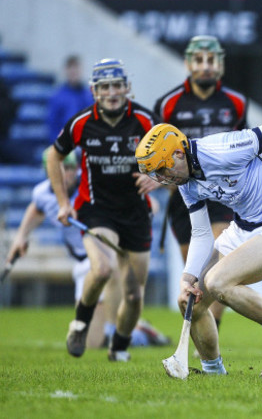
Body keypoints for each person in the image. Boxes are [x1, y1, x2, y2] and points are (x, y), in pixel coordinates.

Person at [134, 108, 262, 376]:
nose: (162, 179)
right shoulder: (185, 181)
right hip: (243, 228)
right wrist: (187, 277)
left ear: (178, 154)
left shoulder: (224, 148)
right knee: (188, 300)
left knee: (218, 281)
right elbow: (202, 233)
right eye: (156, 174)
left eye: (162, 169)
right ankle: (213, 373)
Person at [47, 58, 161, 362]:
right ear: (94, 90)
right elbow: (53, 157)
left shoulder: (146, 121)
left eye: (117, 85)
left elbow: (176, 155)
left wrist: (157, 178)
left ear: (127, 88)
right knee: (102, 269)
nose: (111, 92)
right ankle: (80, 324)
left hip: (136, 215)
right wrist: (62, 202)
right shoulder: (81, 122)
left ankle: (119, 348)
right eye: (105, 87)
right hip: (96, 211)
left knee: (134, 294)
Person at [6, 148, 170, 348]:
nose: (66, 174)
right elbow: (36, 208)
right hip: (83, 264)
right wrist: (21, 237)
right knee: (93, 343)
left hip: (106, 259)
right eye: (59, 168)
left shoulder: (93, 187)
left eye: (69, 168)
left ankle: (130, 332)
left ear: (77, 169)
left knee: (108, 330)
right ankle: (141, 332)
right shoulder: (42, 193)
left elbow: (150, 204)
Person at [154, 35, 248, 332]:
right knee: (194, 271)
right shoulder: (168, 104)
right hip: (184, 196)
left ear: (219, 65)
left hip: (222, 192)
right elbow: (156, 151)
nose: (205, 67)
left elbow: (243, 147)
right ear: (188, 63)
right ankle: (201, 328)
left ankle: (214, 328)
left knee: (217, 259)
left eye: (211, 60)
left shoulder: (236, 102)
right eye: (199, 60)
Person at [47, 55, 94, 143]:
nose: (73, 72)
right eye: (70, 68)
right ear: (66, 71)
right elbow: (53, 125)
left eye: (76, 68)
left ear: (81, 70)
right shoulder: (57, 97)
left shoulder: (89, 95)